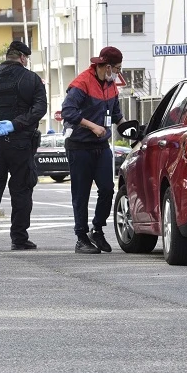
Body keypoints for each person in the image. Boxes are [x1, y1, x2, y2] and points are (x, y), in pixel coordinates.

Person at [0, 40, 47, 252]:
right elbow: (40, 108)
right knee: (22, 189)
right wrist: (15, 124)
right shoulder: (31, 79)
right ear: (22, 58)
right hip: (21, 143)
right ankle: (19, 238)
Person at [60, 46, 128, 254]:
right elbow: (67, 112)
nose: (118, 73)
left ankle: (96, 229)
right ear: (107, 67)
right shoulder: (82, 83)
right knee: (81, 193)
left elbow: (116, 115)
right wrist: (93, 126)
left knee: (107, 189)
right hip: (79, 146)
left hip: (101, 146)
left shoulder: (111, 85)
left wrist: (132, 131)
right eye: (117, 68)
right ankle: (81, 237)